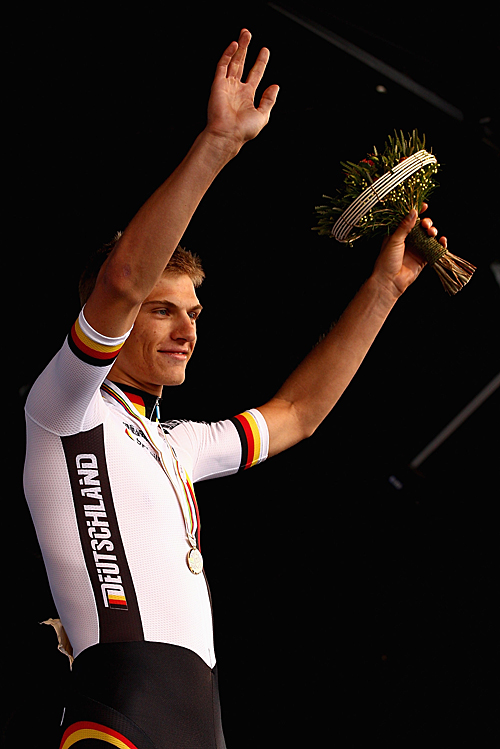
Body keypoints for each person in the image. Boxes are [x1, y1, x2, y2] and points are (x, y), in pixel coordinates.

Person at [23, 29, 445, 749]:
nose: (187, 327)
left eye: (193, 312)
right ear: (113, 317)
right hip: (117, 714)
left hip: (200, 721)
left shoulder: (175, 444)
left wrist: (383, 288)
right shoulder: (65, 409)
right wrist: (218, 144)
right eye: (163, 309)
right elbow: (123, 278)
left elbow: (299, 413)